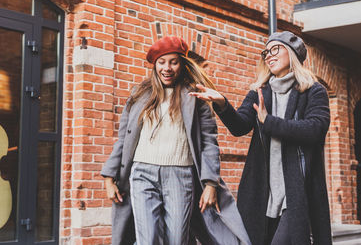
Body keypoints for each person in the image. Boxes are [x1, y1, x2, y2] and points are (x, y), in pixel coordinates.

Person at [101, 36, 251, 245]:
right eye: (162, 62)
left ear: (182, 64)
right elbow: (123, 140)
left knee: (177, 239)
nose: (167, 68)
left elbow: (209, 142)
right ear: (155, 65)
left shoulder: (195, 97)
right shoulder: (139, 94)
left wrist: (210, 184)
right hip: (142, 173)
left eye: (173, 62)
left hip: (180, 175)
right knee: (147, 239)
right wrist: (109, 176)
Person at [190, 31, 332, 245]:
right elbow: (239, 126)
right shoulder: (259, 91)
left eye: (275, 49)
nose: (269, 55)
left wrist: (269, 121)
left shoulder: (313, 91)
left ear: (292, 53)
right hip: (263, 190)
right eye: (266, 52)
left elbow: (315, 129)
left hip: (296, 190)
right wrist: (221, 103)